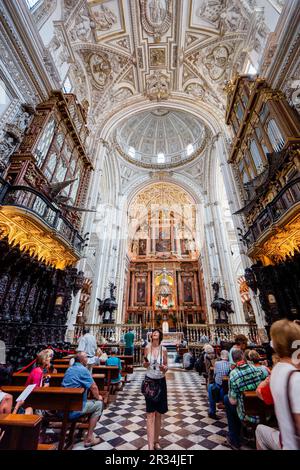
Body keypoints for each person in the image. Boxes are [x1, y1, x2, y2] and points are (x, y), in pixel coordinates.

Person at [255, 319, 300, 450]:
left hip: (285, 442)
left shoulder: (275, 371)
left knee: (260, 431)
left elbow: (262, 395)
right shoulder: (295, 378)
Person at [224, 348, 265, 449]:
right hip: (263, 411)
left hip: (247, 414)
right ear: (243, 356)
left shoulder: (233, 374)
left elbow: (233, 402)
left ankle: (234, 439)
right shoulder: (256, 369)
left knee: (227, 400)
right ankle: (243, 434)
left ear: (233, 360)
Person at [62, 351, 104, 448]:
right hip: (75, 408)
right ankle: (89, 437)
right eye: (85, 357)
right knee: (99, 405)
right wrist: (98, 397)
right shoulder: (83, 370)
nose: (87, 359)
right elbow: (93, 387)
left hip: (65, 405)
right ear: (81, 360)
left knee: (91, 402)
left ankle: (86, 431)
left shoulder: (69, 369)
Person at [143, 329, 168, 450]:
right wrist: (145, 365)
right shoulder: (147, 348)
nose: (155, 334)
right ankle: (149, 446)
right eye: (153, 333)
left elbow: (166, 367)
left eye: (157, 333)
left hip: (161, 381)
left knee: (158, 414)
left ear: (160, 336)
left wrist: (164, 368)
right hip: (149, 381)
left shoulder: (164, 350)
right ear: (151, 336)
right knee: (150, 413)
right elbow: (144, 363)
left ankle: (156, 441)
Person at [208, 350, 231, 419]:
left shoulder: (217, 363)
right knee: (221, 388)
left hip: (218, 386)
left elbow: (214, 373)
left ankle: (212, 411)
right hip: (226, 387)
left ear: (221, 356)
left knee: (210, 388)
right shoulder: (230, 364)